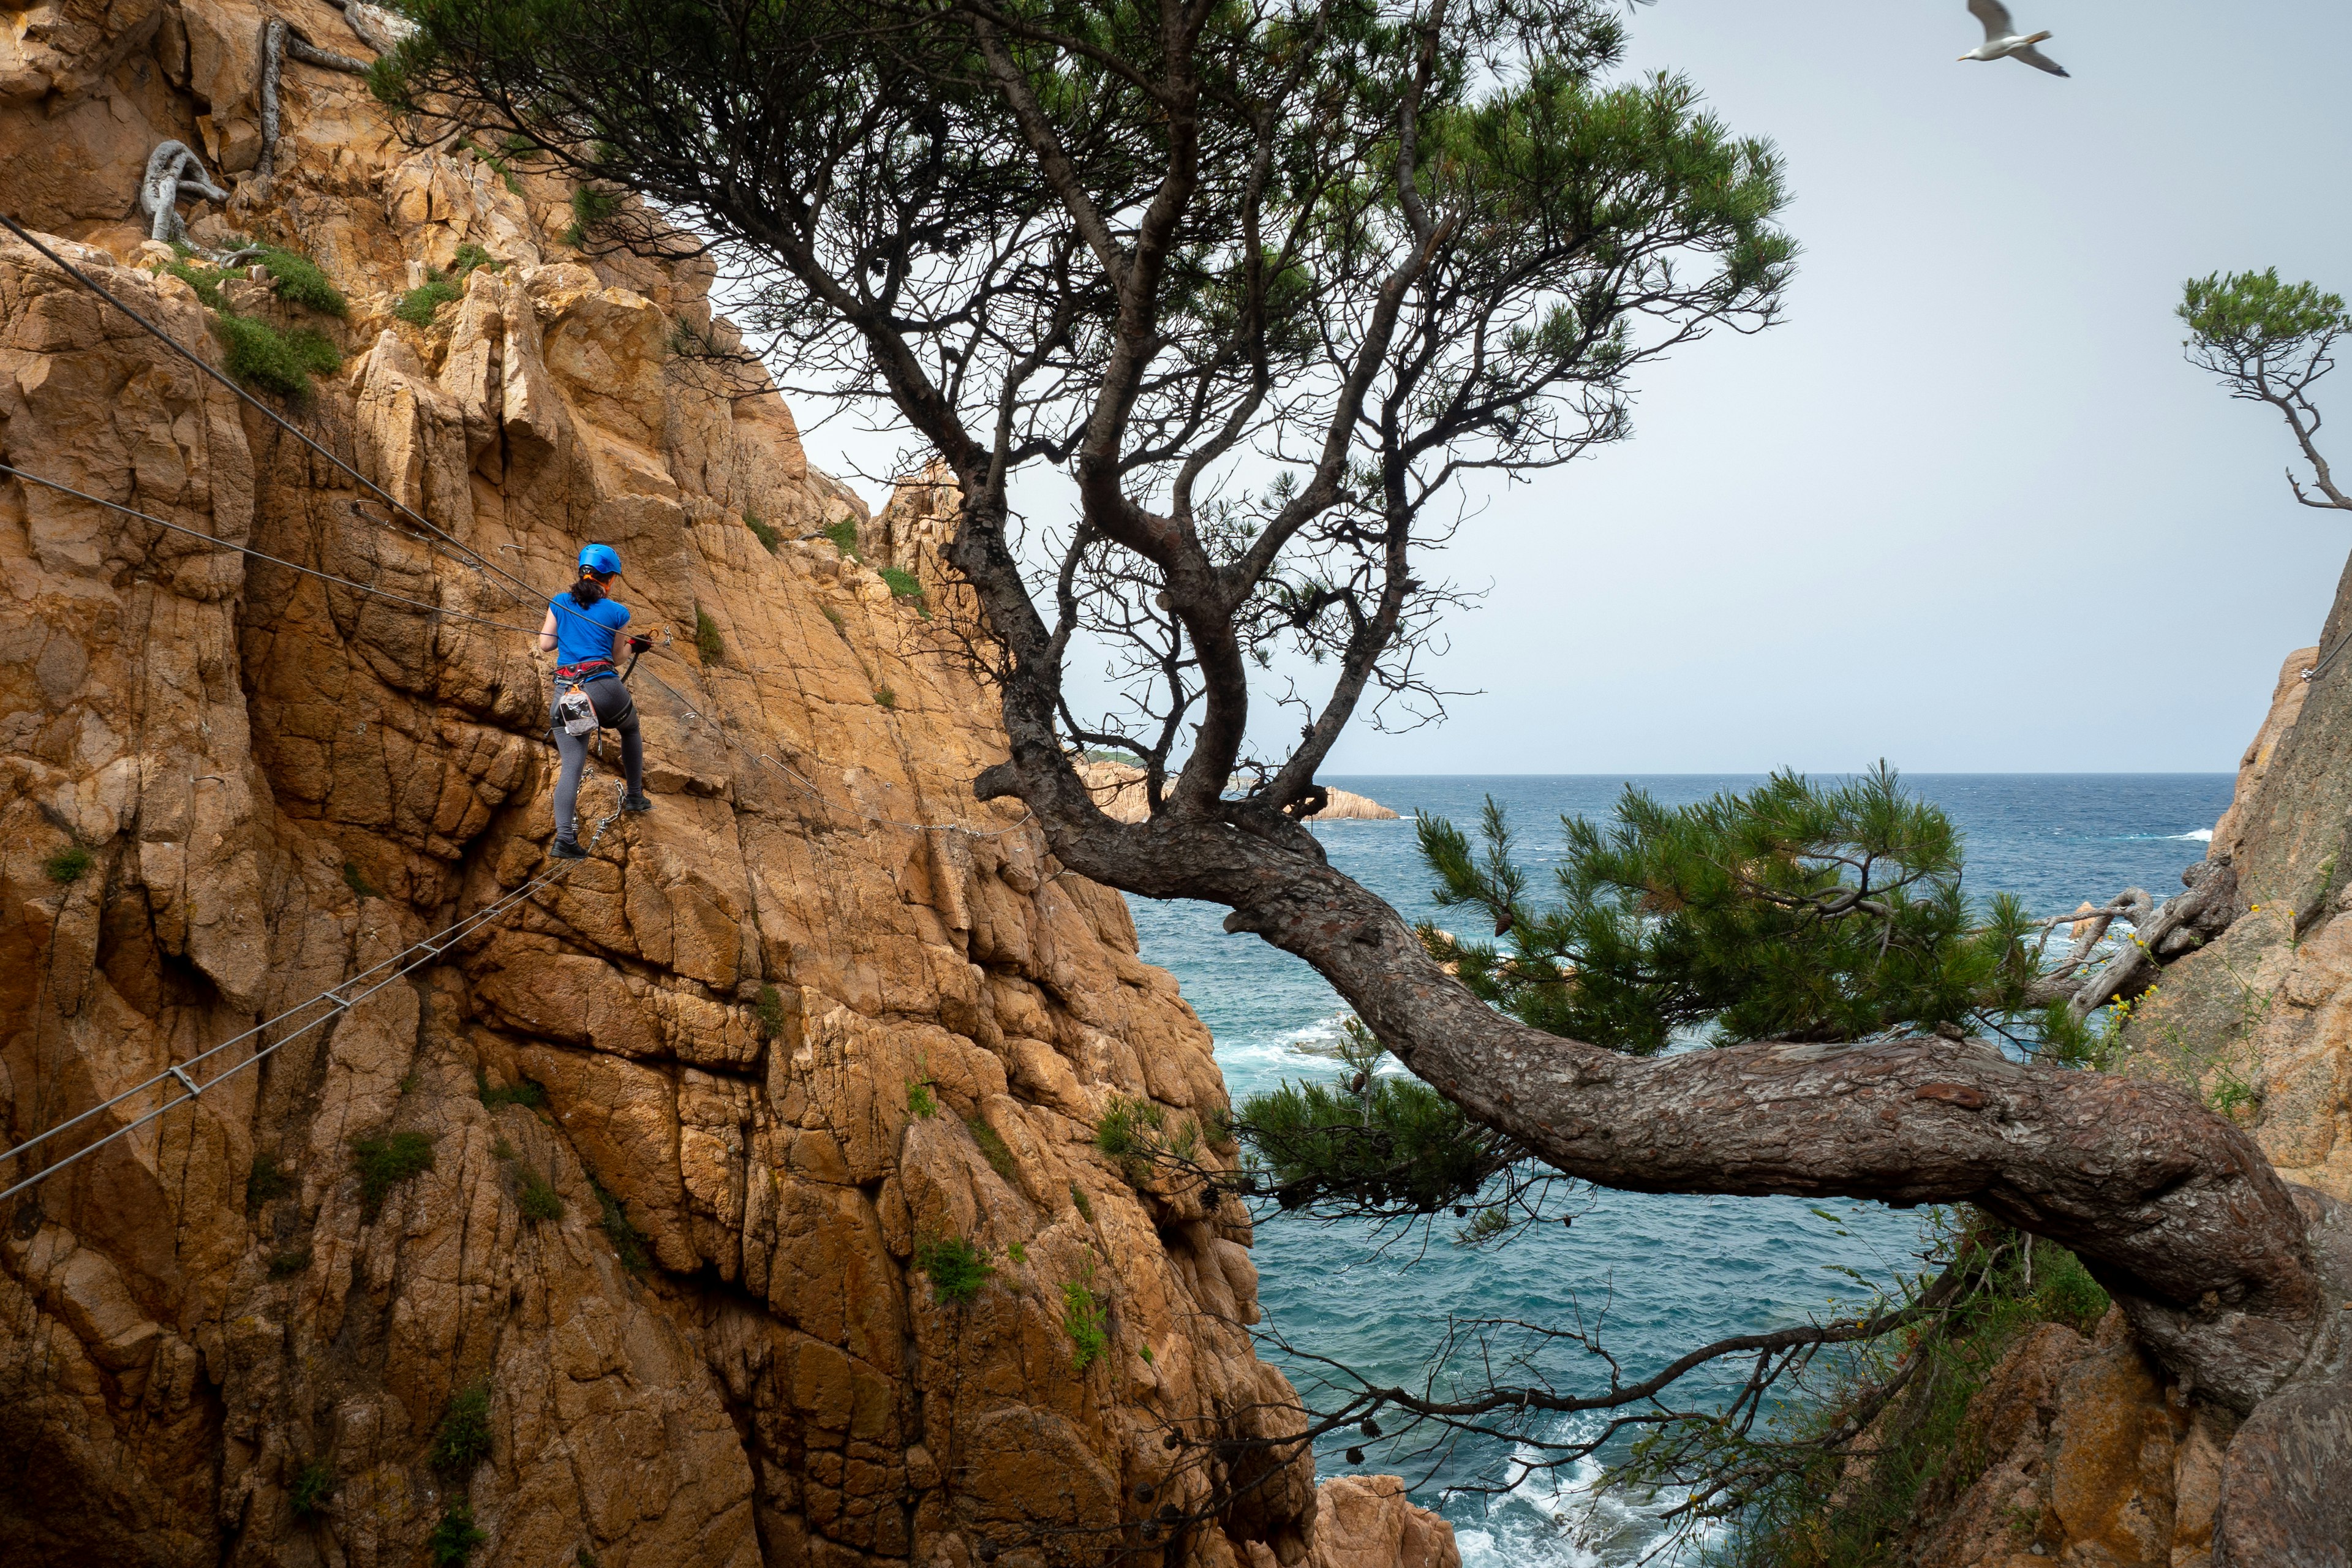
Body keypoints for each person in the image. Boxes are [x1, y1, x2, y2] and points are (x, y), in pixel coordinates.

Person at [540, 543, 651, 858]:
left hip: (566, 692)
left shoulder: (559, 602)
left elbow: (546, 644)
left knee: (572, 766)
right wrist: (634, 645)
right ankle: (634, 796)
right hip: (601, 686)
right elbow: (617, 658)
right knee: (630, 728)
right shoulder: (617, 612)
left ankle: (564, 839)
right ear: (610, 579)